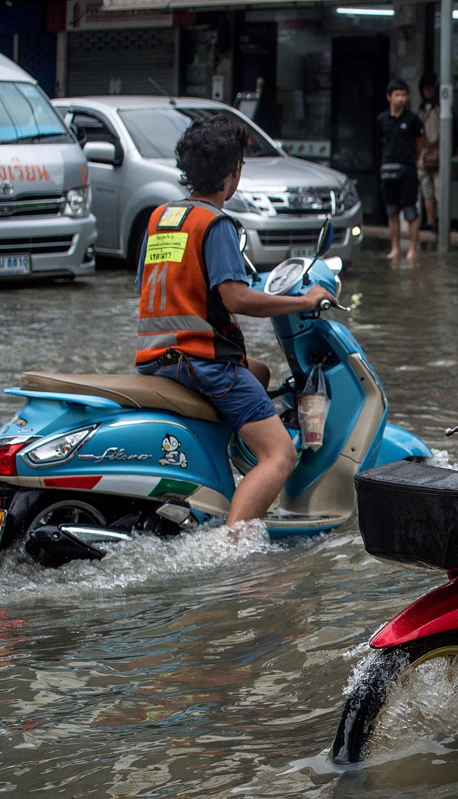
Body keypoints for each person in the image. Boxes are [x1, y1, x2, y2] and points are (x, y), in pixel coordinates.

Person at [135, 115, 335, 526]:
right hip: (202, 362)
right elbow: (238, 298)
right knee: (280, 454)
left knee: (257, 371)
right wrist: (300, 300)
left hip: (157, 357)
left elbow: (164, 281)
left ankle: (222, 481)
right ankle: (233, 545)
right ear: (234, 172)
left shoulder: (160, 218)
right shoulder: (216, 223)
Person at [376, 79, 425, 261]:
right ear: (389, 97)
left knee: (411, 211)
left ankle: (412, 249)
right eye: (397, 95)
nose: (400, 99)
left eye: (404, 95)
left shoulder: (412, 119)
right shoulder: (382, 119)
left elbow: (420, 142)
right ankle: (395, 248)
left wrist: (416, 159)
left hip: (408, 168)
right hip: (388, 168)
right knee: (392, 211)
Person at [417, 73, 441, 232]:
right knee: (427, 191)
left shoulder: (440, 108)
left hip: (439, 153)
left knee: (440, 190)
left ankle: (440, 221)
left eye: (430, 89)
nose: (428, 92)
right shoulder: (420, 109)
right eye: (425, 89)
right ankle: (430, 221)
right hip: (424, 155)